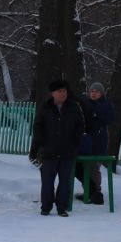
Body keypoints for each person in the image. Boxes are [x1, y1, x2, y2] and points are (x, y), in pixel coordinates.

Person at [29, 78, 85, 216]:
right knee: (47, 181)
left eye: (65, 91)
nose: (63, 94)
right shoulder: (45, 107)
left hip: (67, 151)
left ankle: (62, 207)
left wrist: (75, 144)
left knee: (65, 181)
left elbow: (80, 127)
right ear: (53, 93)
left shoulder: (73, 107)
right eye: (59, 91)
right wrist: (38, 147)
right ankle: (46, 207)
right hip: (49, 151)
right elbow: (38, 127)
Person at [79, 81, 115, 204]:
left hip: (99, 141)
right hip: (85, 140)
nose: (94, 94)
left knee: (94, 167)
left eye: (96, 91)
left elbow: (110, 119)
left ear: (101, 93)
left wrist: (96, 113)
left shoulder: (106, 105)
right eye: (92, 91)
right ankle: (87, 191)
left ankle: (96, 192)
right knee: (84, 167)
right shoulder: (84, 104)